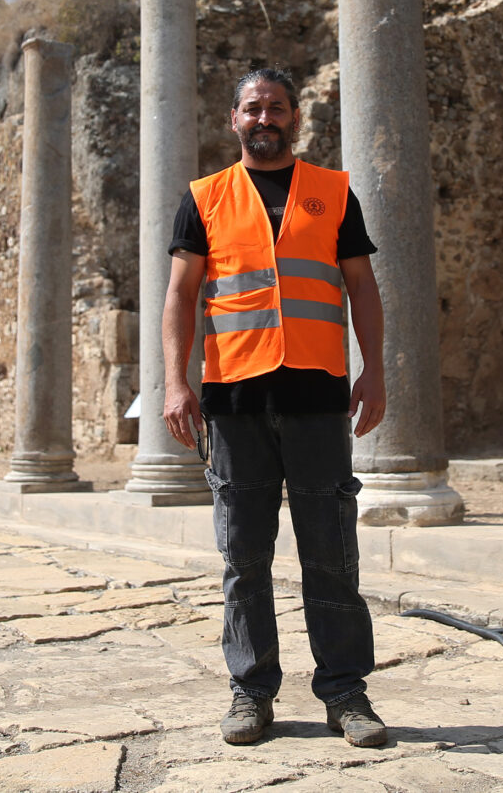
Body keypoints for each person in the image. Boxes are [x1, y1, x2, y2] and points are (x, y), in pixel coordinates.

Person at [162, 66, 388, 749]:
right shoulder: (202, 198)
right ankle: (250, 692)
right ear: (232, 119)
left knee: (331, 552)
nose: (266, 118)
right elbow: (180, 296)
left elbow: (361, 287)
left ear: (295, 118)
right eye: (253, 108)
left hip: (317, 395)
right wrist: (176, 382)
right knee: (243, 557)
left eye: (277, 108)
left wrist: (374, 370)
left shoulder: (334, 192)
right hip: (232, 401)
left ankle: (345, 692)